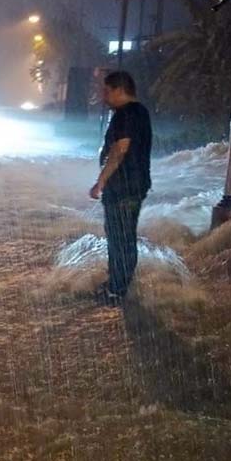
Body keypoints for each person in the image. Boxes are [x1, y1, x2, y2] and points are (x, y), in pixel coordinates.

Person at [89, 71, 152, 305]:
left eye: (106, 91)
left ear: (119, 90)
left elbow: (120, 150)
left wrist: (101, 181)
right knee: (124, 237)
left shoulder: (125, 114)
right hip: (135, 185)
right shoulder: (140, 112)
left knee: (120, 238)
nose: (103, 96)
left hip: (123, 187)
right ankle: (118, 283)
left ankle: (117, 290)